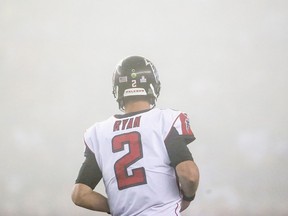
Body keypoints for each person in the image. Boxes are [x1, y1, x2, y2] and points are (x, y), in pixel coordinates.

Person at [71, 56, 200, 215]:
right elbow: (189, 175)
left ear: (117, 89)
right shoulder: (165, 121)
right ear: (153, 85)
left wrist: (120, 208)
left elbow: (80, 195)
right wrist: (188, 196)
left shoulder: (98, 133)